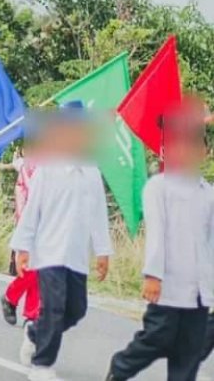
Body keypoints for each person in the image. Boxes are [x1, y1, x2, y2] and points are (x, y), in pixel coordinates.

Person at [106, 98, 214, 381]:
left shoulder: (208, 193)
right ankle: (120, 368)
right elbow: (157, 233)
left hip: (199, 290)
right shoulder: (159, 188)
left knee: (190, 351)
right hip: (168, 285)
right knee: (157, 338)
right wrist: (153, 275)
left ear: (205, 152)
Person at [11, 102, 112, 381]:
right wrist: (22, 248)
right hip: (48, 253)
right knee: (54, 307)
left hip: (76, 255)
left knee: (76, 310)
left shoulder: (91, 172)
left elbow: (98, 215)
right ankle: (42, 365)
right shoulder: (48, 170)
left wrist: (102, 252)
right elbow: (32, 211)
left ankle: (35, 332)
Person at [0, 145, 41, 326]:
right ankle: (22, 305)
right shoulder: (27, 164)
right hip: (28, 220)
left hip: (49, 222)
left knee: (41, 268)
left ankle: (30, 312)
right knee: (33, 268)